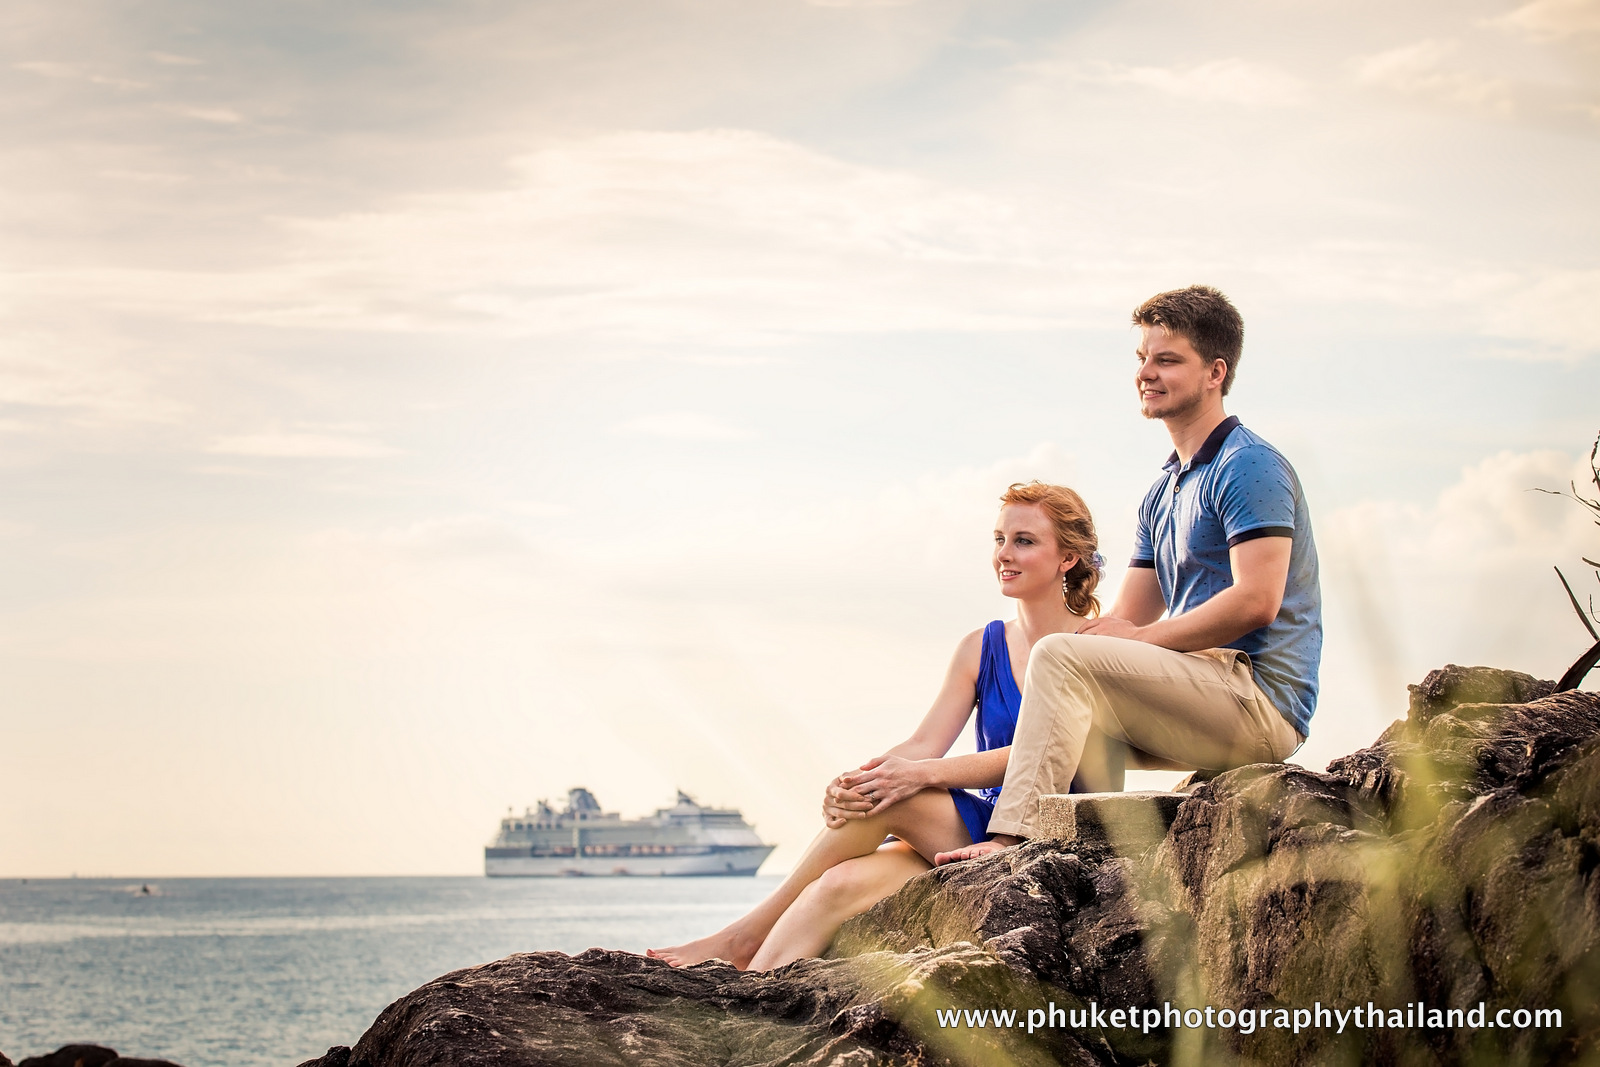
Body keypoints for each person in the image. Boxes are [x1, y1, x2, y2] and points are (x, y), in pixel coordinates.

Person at [648, 482, 1105, 970]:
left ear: (1068, 558)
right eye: (999, 539)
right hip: (976, 827)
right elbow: (924, 742)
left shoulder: (1098, 647)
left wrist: (914, 777)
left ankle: (742, 936)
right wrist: (856, 779)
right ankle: (748, 989)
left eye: (1024, 541)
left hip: (1053, 830)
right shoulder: (981, 646)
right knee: (836, 884)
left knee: (897, 793)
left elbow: (1044, 755)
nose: (1004, 554)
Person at [937, 284, 1320, 865]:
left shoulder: (1248, 466)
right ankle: (1091, 851)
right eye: (1142, 358)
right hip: (1199, 693)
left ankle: (1011, 841)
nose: (1145, 373)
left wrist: (1130, 641)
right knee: (1070, 667)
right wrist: (1080, 640)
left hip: (1258, 702)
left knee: (1063, 658)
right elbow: (1124, 620)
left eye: (1167, 360)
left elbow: (1256, 601)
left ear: (1215, 372)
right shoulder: (1162, 492)